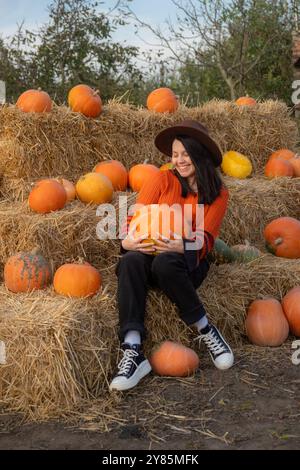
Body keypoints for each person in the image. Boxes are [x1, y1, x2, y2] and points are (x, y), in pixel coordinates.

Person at [109, 120, 234, 392]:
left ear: (199, 154)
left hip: (186, 263)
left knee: (166, 261)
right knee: (130, 259)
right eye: (175, 154)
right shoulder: (161, 178)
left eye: (185, 154)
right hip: (149, 254)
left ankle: (206, 329)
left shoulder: (218, 193)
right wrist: (127, 239)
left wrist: (182, 245)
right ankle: (133, 351)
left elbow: (206, 240)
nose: (179, 160)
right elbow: (134, 217)